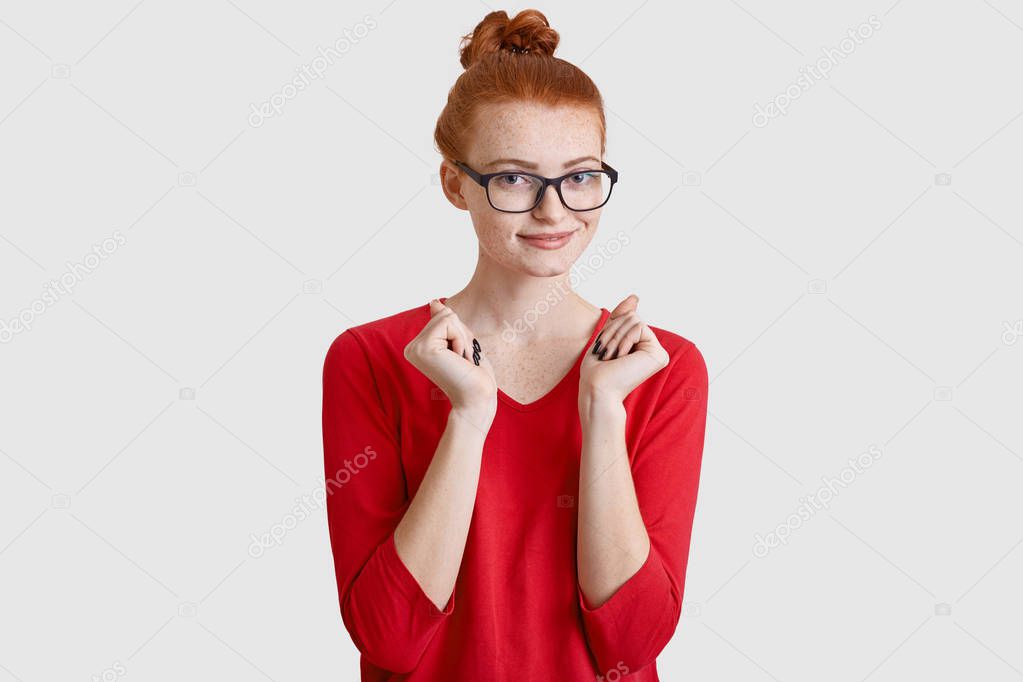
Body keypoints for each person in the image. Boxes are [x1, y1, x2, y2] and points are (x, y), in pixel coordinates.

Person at [321, 9, 709, 680]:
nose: (554, 211)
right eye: (513, 179)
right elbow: (387, 639)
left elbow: (632, 643)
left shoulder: (657, 369)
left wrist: (603, 411)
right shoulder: (371, 358)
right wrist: (468, 417)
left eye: (580, 176)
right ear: (454, 184)